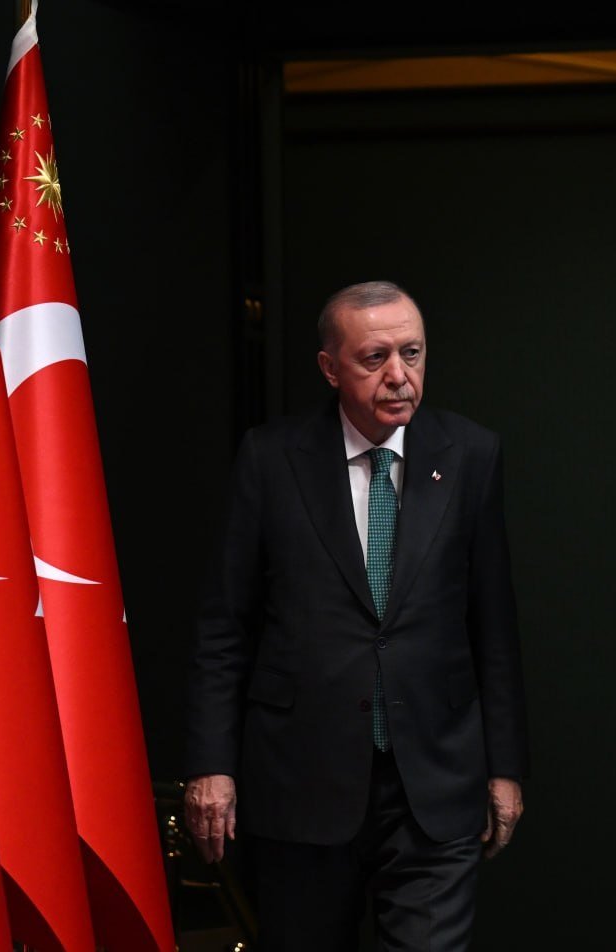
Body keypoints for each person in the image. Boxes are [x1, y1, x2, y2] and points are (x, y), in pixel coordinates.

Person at [184, 281, 528, 951]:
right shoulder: (271, 459)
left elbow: (494, 624)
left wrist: (506, 767)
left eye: (412, 353)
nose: (398, 375)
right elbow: (224, 626)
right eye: (375, 358)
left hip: (433, 780)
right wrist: (211, 764)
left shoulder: (470, 455)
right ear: (330, 368)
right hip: (302, 780)